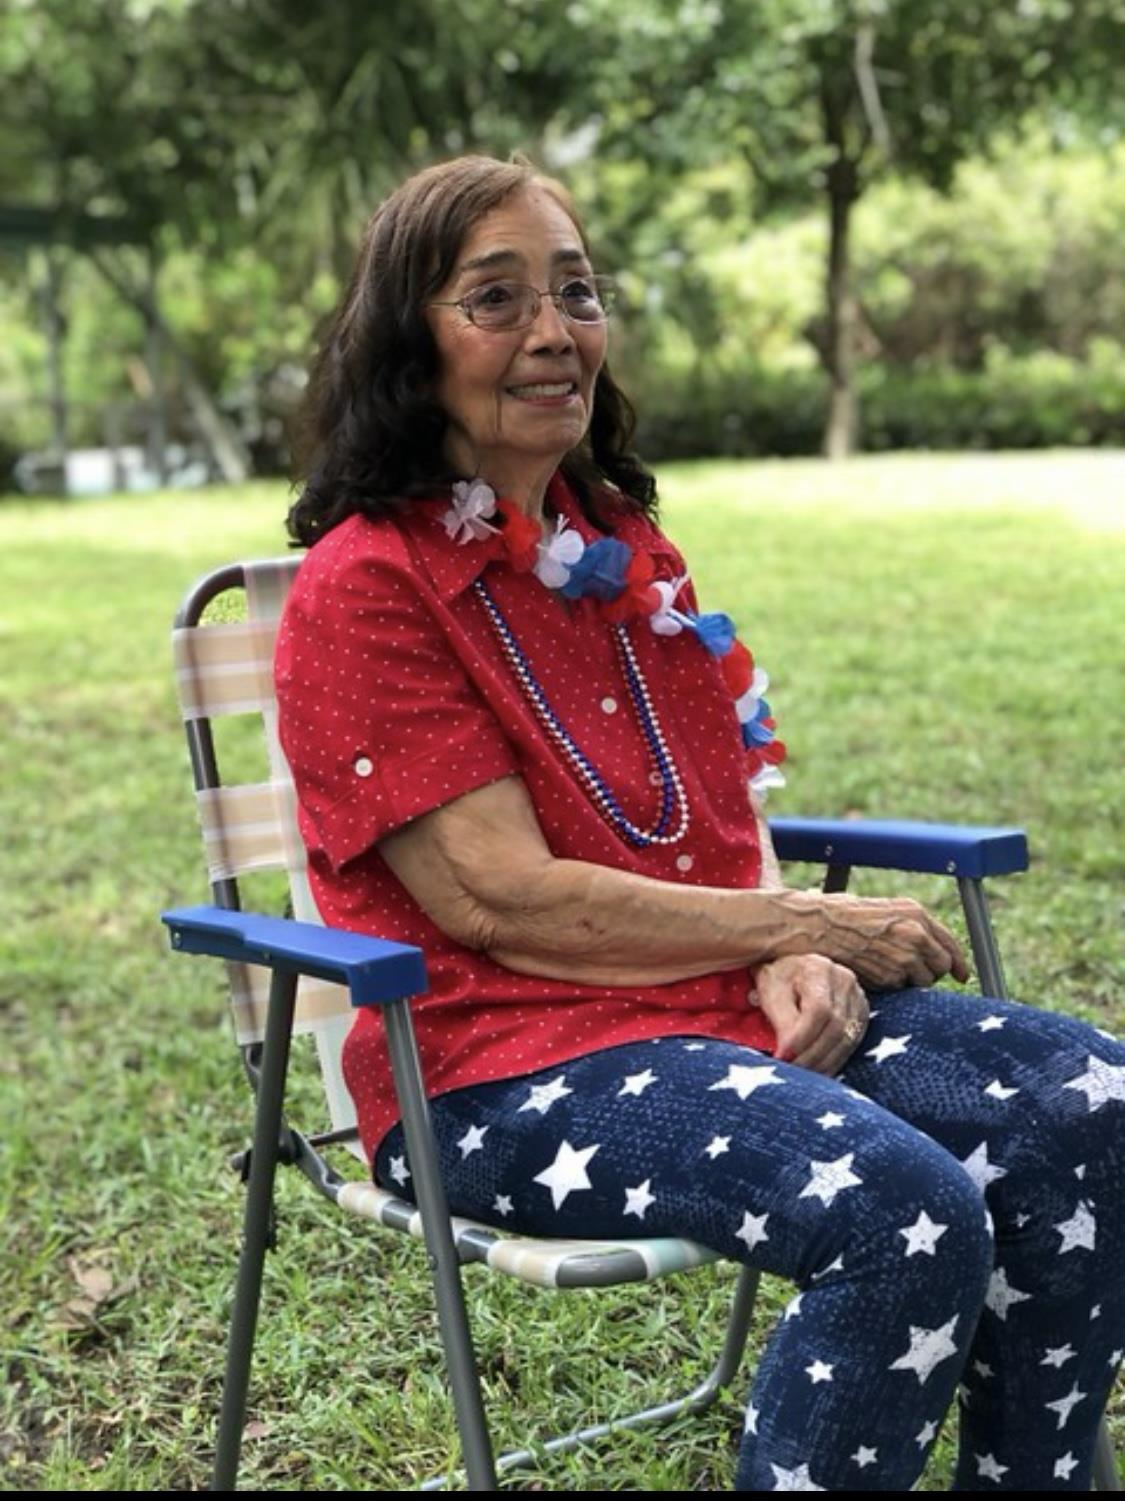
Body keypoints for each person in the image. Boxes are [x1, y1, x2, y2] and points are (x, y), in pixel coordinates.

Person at [274, 154, 1124, 1491]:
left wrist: (789, 945)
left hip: (707, 1006)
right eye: (495, 298)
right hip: (495, 1066)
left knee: (1093, 1107)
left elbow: (715, 814)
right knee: (896, 1209)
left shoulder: (616, 549)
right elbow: (498, 899)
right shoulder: (367, 589)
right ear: (406, 341)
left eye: (577, 292)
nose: (553, 331)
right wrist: (800, 921)